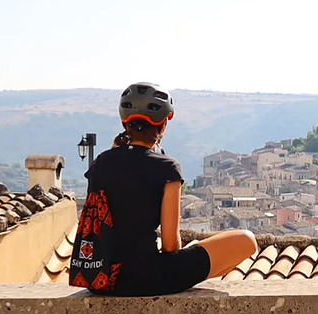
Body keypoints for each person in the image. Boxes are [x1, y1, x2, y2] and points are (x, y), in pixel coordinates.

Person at [82, 82, 257, 296]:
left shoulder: (100, 163)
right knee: (246, 240)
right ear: (163, 125)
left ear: (124, 122)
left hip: (99, 279)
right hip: (146, 279)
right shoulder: (166, 167)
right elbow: (170, 245)